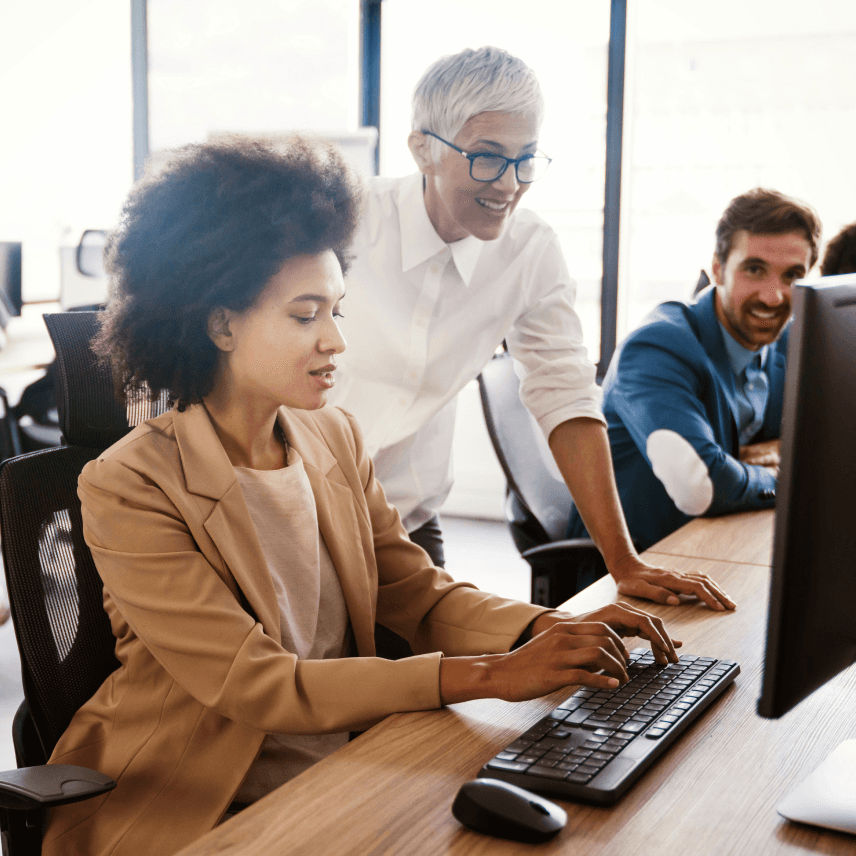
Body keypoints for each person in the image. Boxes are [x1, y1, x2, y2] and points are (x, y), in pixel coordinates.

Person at [44, 137, 680, 856]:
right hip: (197, 803)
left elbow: (420, 596)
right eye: (305, 314)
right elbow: (258, 685)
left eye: (337, 311)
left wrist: (543, 633)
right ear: (221, 323)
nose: (335, 343)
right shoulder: (130, 483)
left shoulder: (332, 438)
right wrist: (493, 675)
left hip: (346, 762)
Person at [330, 46, 732, 611]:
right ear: (423, 149)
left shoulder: (530, 250)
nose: (510, 184)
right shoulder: (344, 220)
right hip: (292, 515)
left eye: (526, 159)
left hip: (403, 524)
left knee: (434, 692)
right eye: (488, 157)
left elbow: (565, 396)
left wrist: (623, 564)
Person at [568, 188, 821, 551]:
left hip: (725, 543)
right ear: (718, 269)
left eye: (792, 276)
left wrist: (753, 465)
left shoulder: (788, 343)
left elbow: (823, 447)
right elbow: (701, 486)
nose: (773, 296)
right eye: (754, 269)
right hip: (641, 563)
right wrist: (784, 478)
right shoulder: (657, 348)